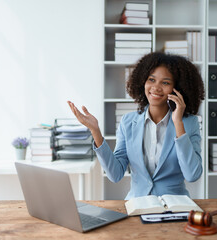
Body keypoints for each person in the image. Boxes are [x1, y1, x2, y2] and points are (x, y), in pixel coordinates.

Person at [68, 52, 205, 200]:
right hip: (138, 204)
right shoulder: (128, 122)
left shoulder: (189, 123)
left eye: (165, 82)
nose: (156, 87)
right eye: (151, 79)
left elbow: (192, 175)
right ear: (142, 82)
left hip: (175, 206)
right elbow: (115, 174)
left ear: (177, 89)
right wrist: (95, 132)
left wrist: (178, 123)